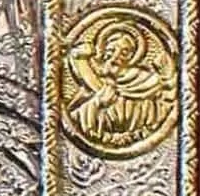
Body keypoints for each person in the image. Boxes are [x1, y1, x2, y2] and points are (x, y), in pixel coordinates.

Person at [67, 19, 174, 148]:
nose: (115, 58)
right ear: (103, 51)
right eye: (111, 50)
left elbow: (159, 115)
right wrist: (96, 103)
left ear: (133, 57)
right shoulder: (94, 85)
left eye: (124, 52)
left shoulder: (145, 83)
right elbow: (73, 119)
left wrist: (168, 78)